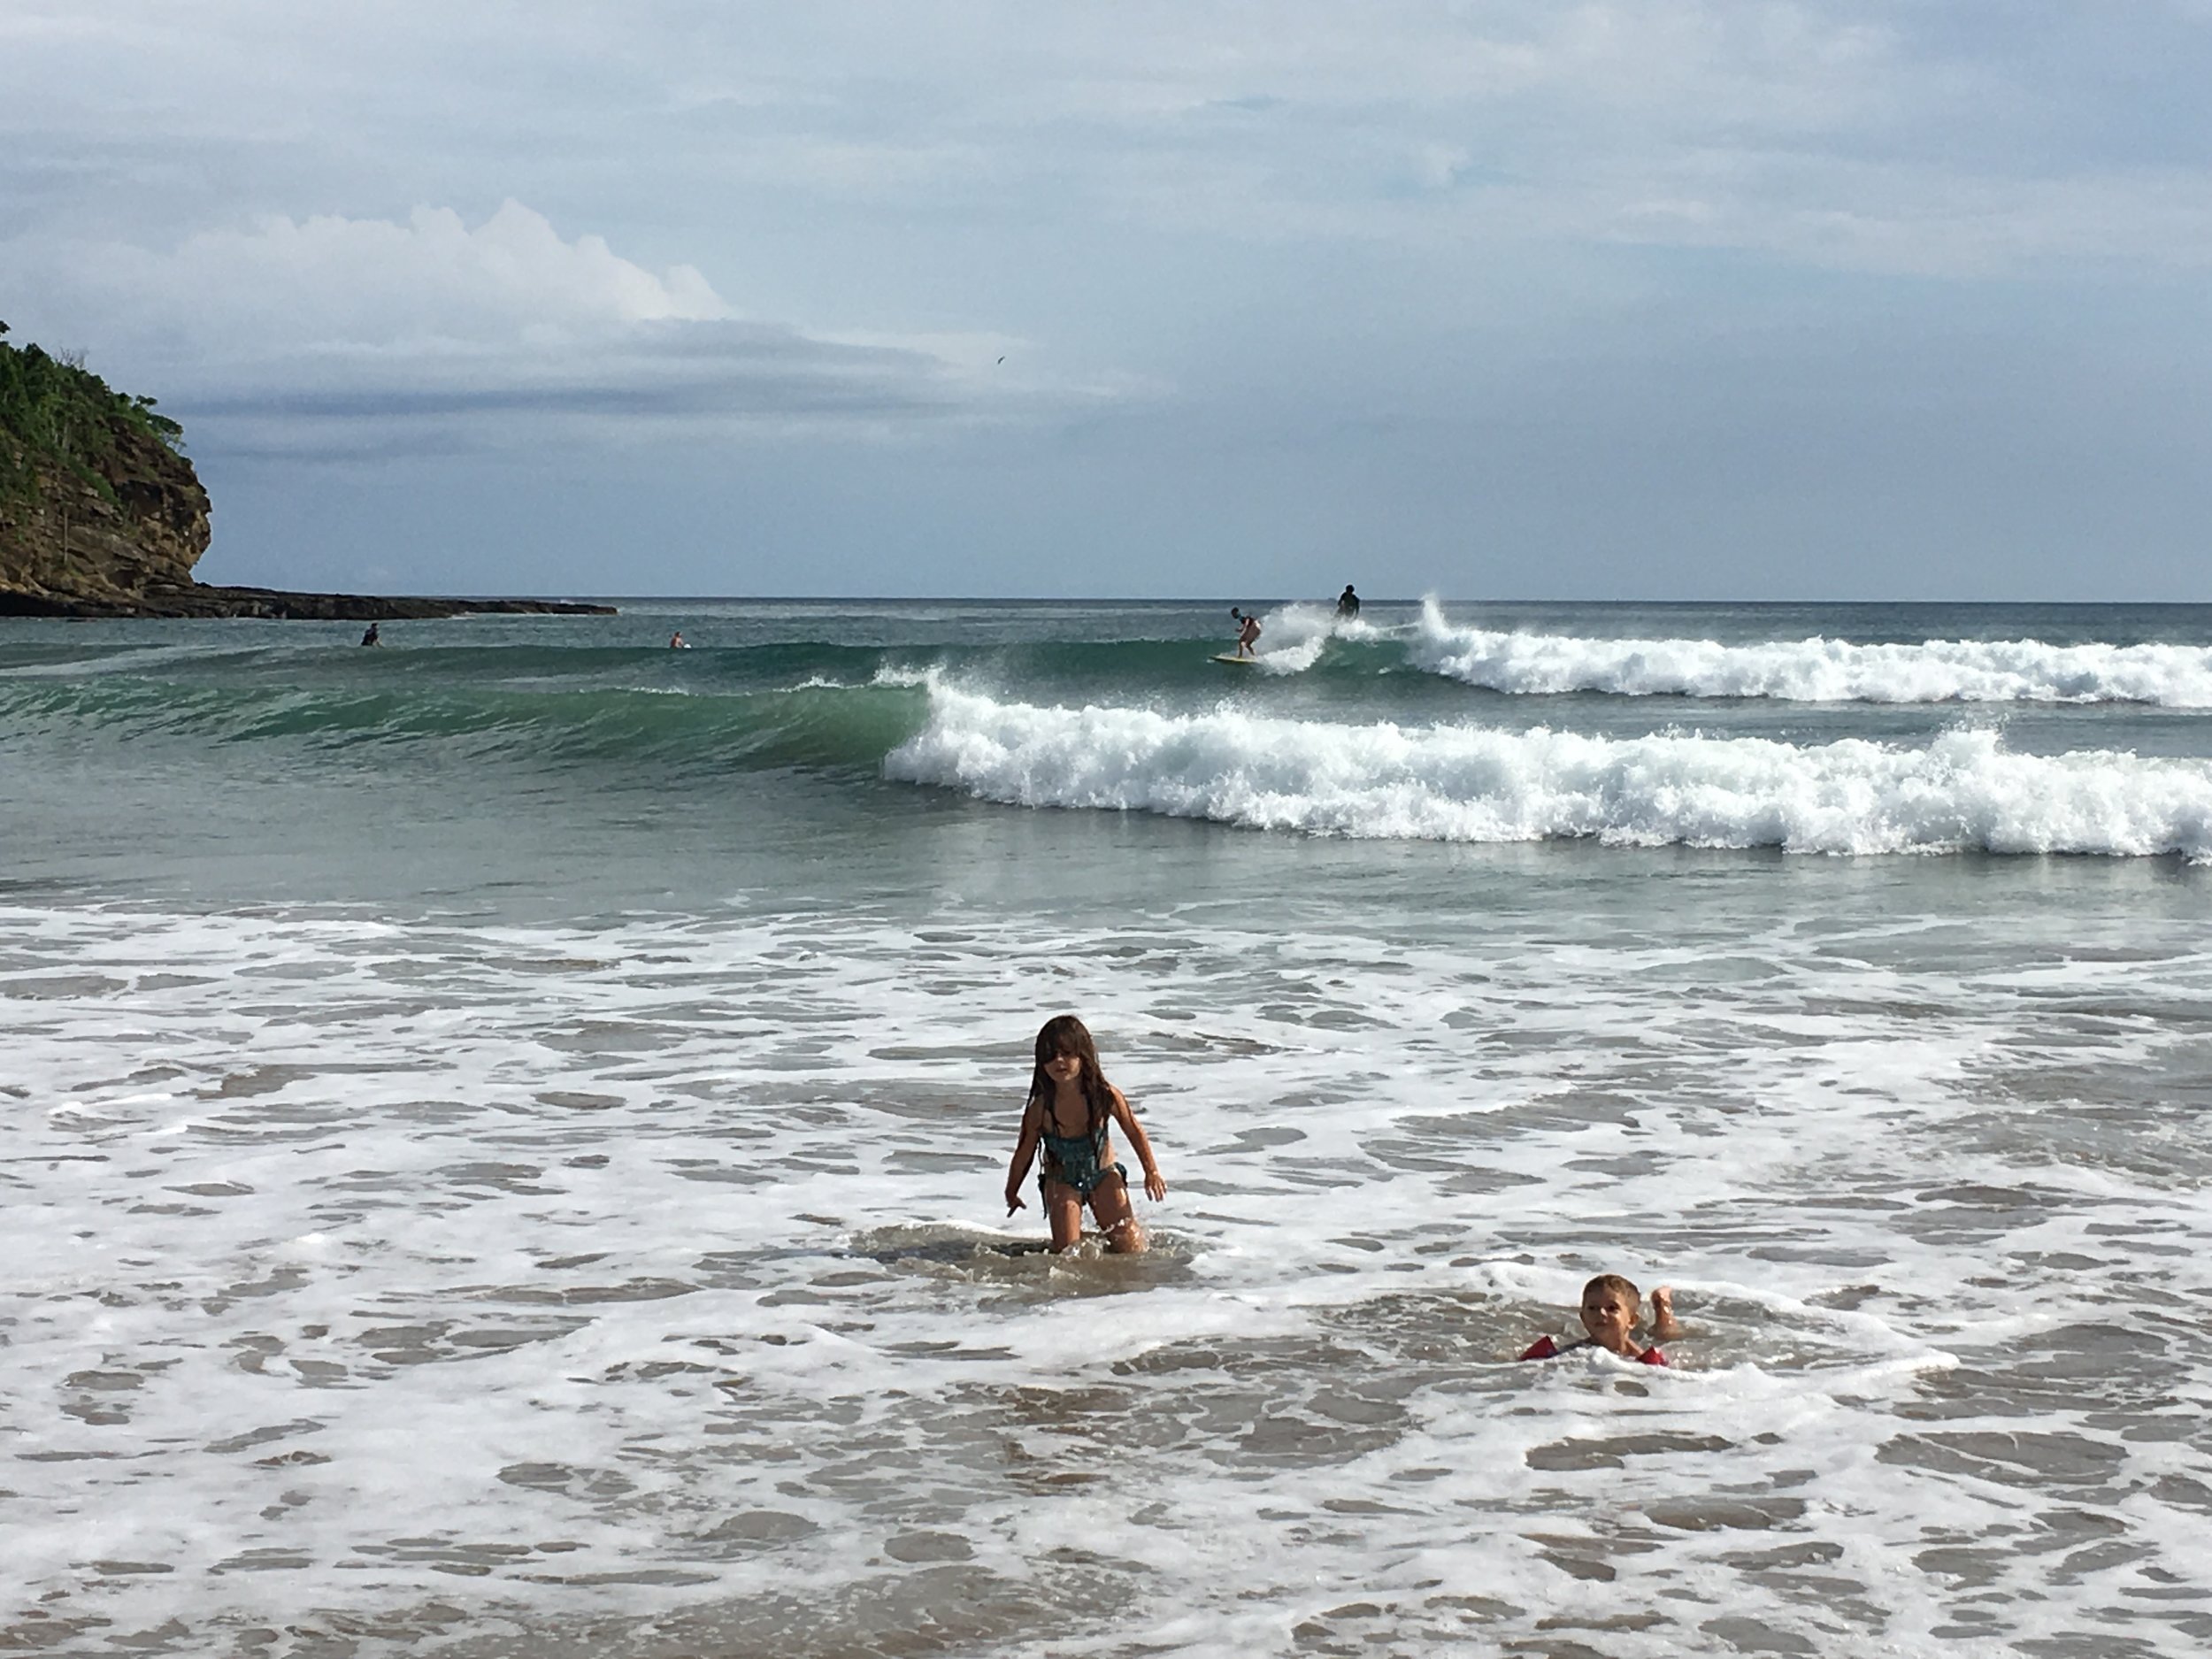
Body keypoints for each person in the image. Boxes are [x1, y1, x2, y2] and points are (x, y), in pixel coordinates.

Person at [1004, 1014, 1166, 1254]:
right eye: (1050, 1056)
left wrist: (1151, 1171)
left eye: (1067, 1053)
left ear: (1083, 1055)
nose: (1058, 1061)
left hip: (1102, 1174)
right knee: (1067, 1254)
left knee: (1131, 1248)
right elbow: (1024, 1152)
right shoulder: (1040, 1108)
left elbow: (1133, 1129)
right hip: (1061, 1179)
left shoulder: (1104, 1096)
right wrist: (1012, 1190)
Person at [1521, 1274, 1679, 1366]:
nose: (1601, 1313)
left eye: (1612, 1308)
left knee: (1664, 1334)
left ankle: (1661, 1303)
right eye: (1592, 1308)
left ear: (1631, 1320)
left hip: (1633, 1339)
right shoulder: (1573, 1352)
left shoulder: (1640, 1358)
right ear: (1582, 1318)